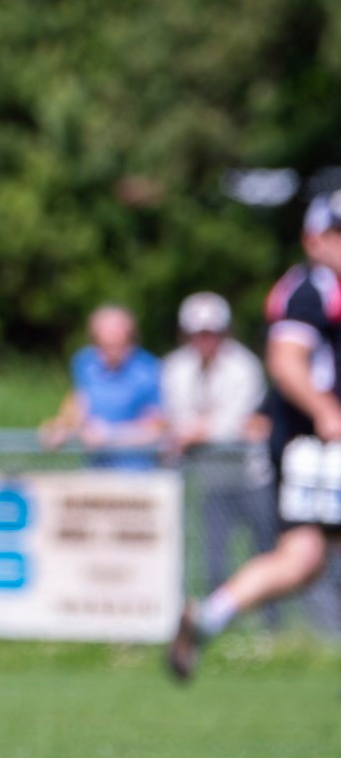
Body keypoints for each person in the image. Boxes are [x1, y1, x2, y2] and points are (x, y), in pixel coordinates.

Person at [172, 195, 341, 679]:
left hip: (314, 448)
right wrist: (327, 412)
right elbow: (286, 361)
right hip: (318, 448)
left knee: (302, 559)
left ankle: (207, 617)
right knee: (300, 557)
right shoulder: (309, 290)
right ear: (315, 239)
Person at [161, 292, 275, 608]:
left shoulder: (244, 366)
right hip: (212, 482)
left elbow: (237, 424)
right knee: (213, 563)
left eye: (212, 332)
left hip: (251, 477)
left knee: (265, 555)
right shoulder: (175, 367)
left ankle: (272, 629)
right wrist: (202, 428)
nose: (206, 339)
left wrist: (196, 430)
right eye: (199, 333)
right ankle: (216, 623)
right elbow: (177, 417)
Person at [39, 304, 166, 468]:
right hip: (96, 470)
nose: (109, 352)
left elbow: (157, 429)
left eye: (117, 343)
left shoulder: (149, 369)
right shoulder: (85, 363)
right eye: (104, 345)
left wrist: (110, 436)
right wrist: (60, 428)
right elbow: (78, 407)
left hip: (137, 473)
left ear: (130, 339)